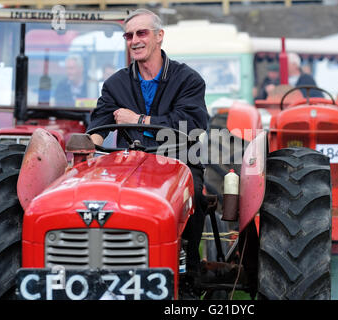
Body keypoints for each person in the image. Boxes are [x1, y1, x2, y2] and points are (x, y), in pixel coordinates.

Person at [87, 9, 209, 298]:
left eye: (141, 33)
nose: (134, 40)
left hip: (179, 162)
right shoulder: (116, 83)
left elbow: (191, 127)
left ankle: (188, 272)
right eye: (129, 35)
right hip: (130, 165)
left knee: (197, 196)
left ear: (159, 36)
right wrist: (87, 148)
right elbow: (98, 127)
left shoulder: (188, 80)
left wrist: (138, 120)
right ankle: (107, 269)